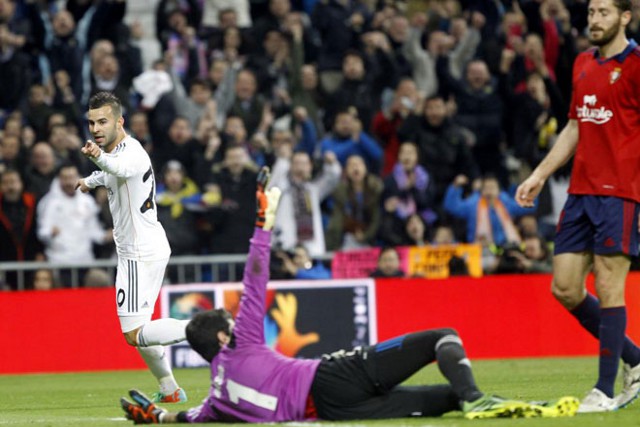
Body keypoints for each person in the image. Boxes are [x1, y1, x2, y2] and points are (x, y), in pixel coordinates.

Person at [120, 167, 579, 424]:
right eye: (226, 320)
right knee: (443, 336)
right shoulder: (243, 346)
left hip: (333, 413)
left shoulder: (217, 401)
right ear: (223, 339)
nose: (232, 319)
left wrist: (155, 419)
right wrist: (263, 225)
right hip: (334, 377)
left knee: (442, 401)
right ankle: (478, 398)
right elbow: (255, 278)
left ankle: (473, 401)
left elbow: (191, 422)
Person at [515, 0, 640, 413]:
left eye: (604, 12)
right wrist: (539, 174)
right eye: (590, 12)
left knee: (608, 286)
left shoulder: (637, 65)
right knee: (565, 288)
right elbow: (574, 126)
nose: (594, 20)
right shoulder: (582, 63)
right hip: (581, 192)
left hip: (620, 191)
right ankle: (636, 361)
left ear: (625, 17)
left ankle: (604, 391)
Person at [76, 92, 189, 403]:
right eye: (91, 123)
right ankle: (170, 389)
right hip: (143, 247)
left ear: (119, 121)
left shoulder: (130, 153)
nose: (96, 128)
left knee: (133, 332)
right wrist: (90, 180)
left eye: (103, 121)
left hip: (139, 251)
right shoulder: (120, 152)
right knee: (141, 328)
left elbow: (120, 168)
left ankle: (206, 327)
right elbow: (111, 172)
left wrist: (96, 157)